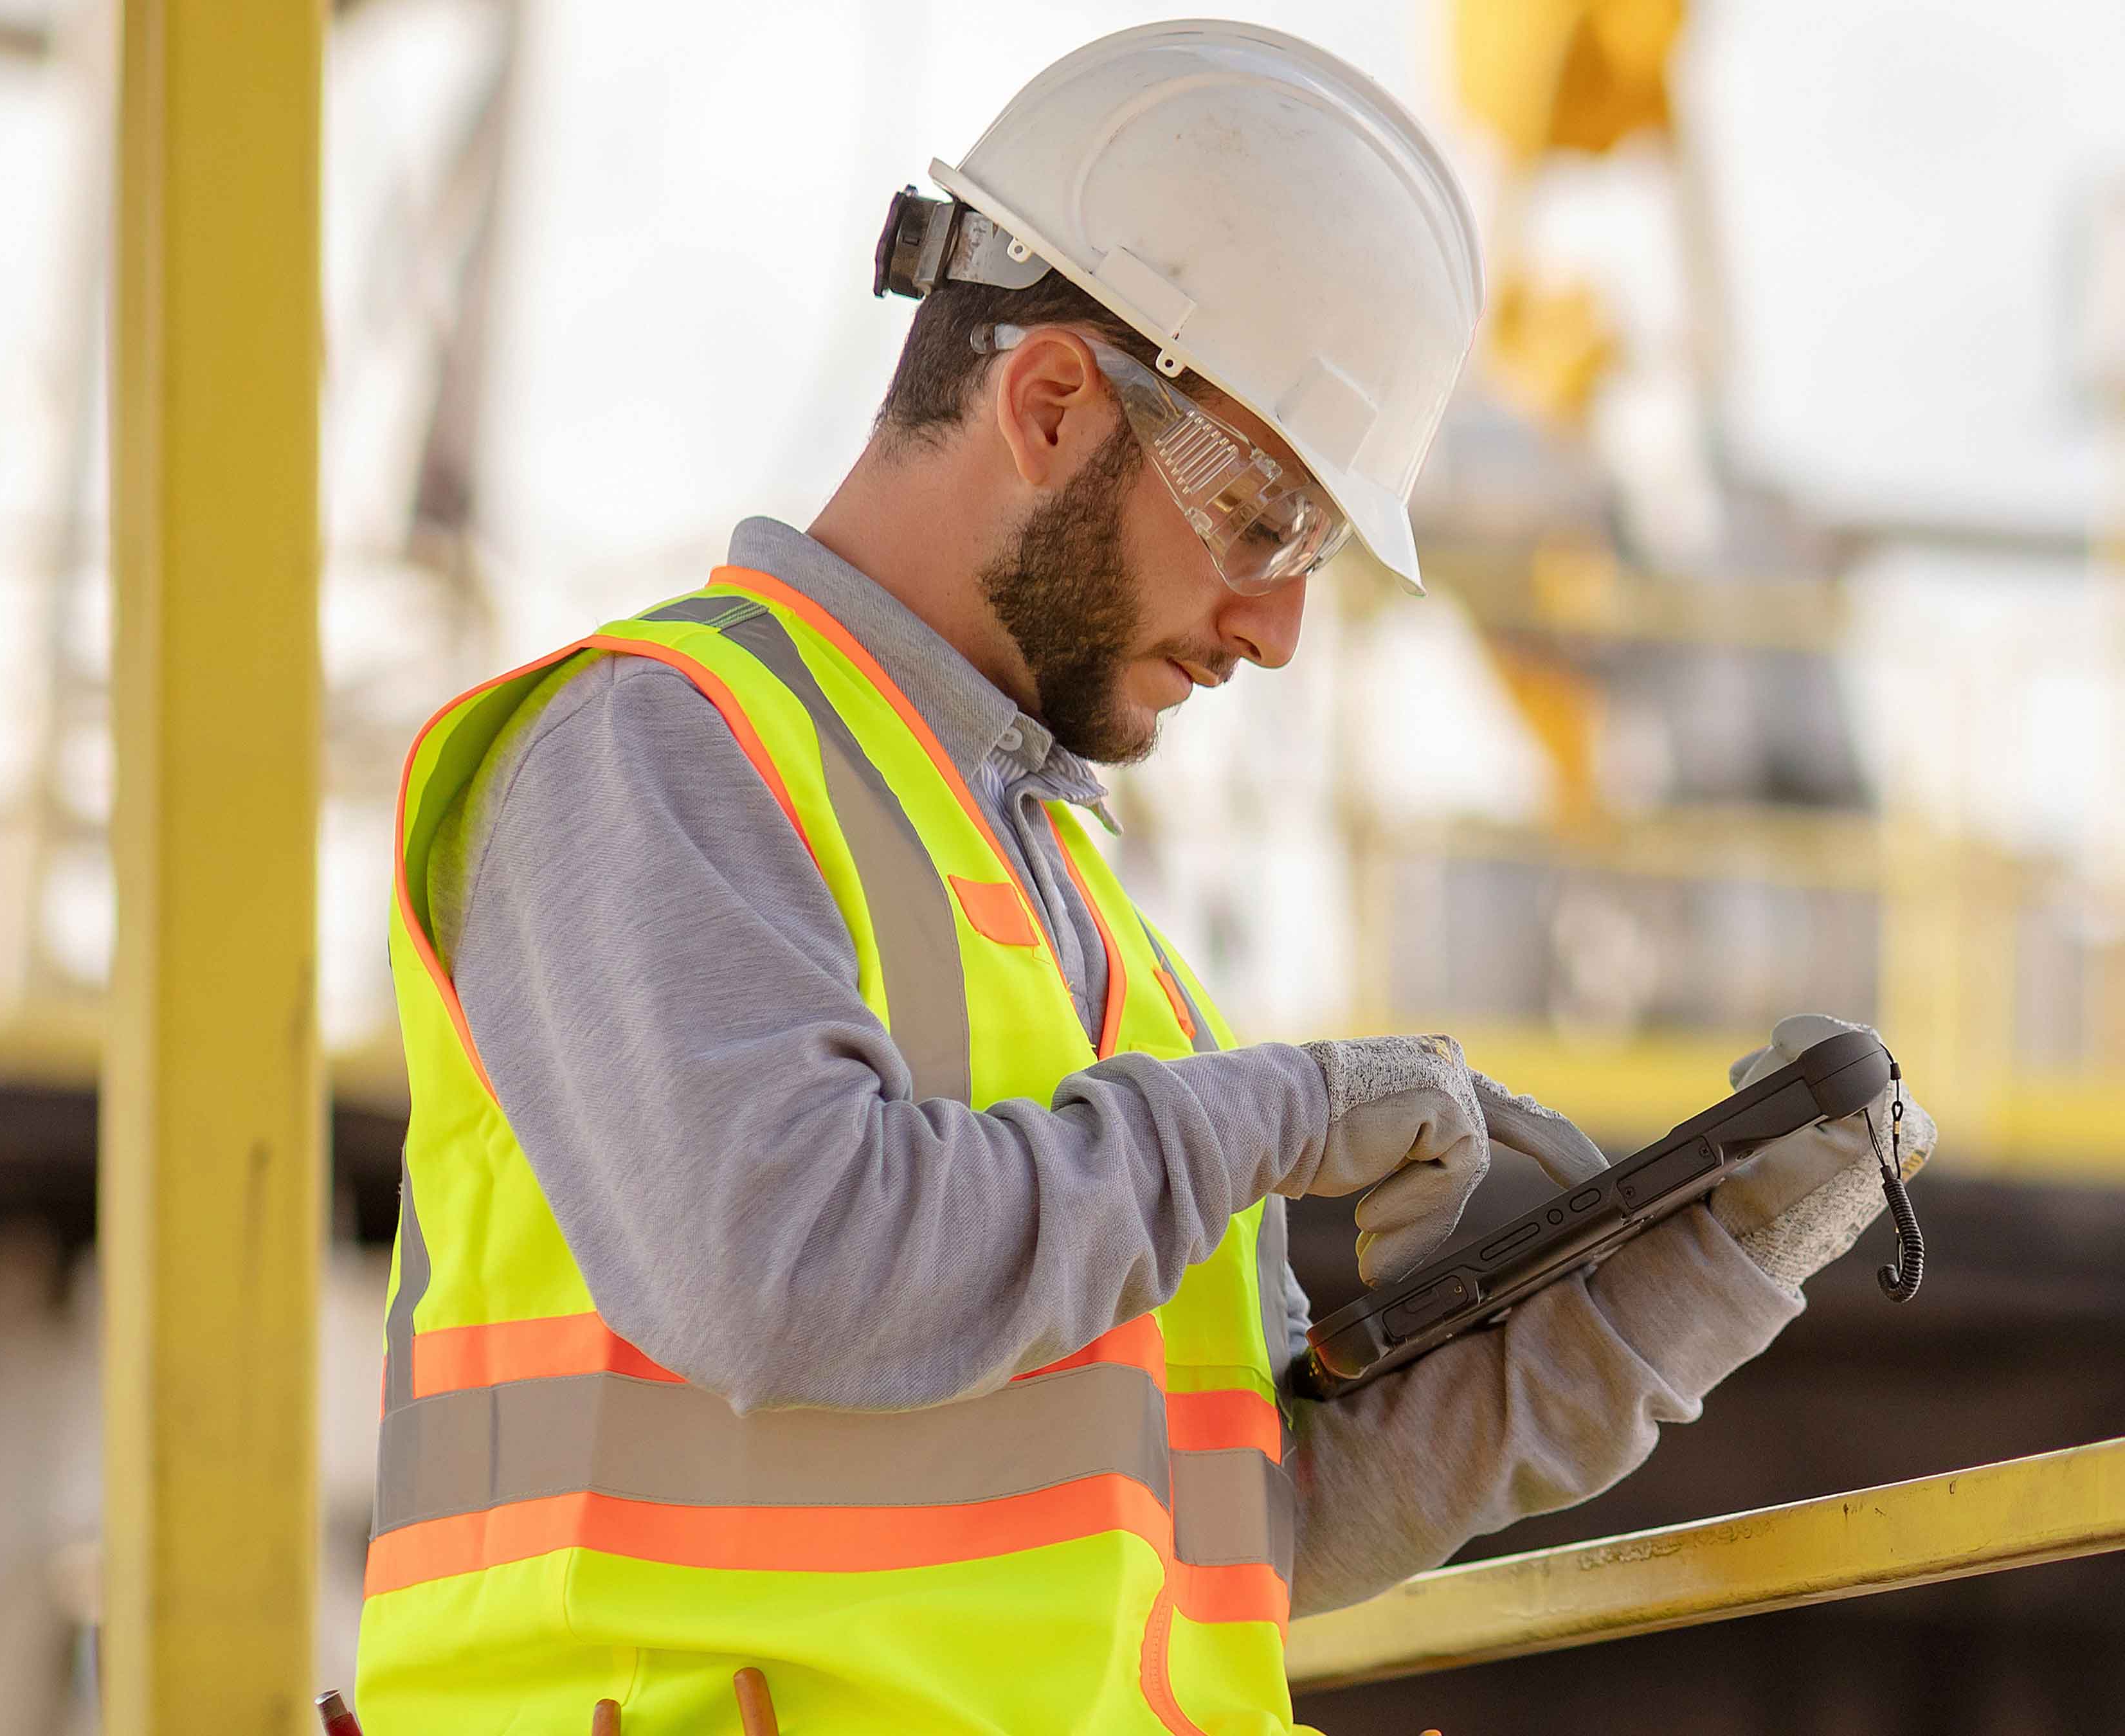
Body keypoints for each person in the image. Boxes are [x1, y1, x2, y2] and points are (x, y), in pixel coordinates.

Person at [354, 22, 1935, 1734]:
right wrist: (1277, 1114)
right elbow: (783, 1268)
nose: (1275, 627)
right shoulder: (656, 755)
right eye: (1266, 525)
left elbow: (1246, 1510)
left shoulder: (1094, 939)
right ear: (1049, 405)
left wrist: (1697, 1274)